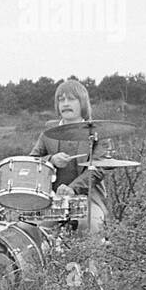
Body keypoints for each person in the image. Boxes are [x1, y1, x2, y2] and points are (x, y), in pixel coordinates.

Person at [28, 78, 108, 238]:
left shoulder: (99, 132)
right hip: (53, 200)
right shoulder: (48, 131)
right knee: (27, 228)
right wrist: (51, 160)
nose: (65, 103)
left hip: (88, 200)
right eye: (61, 99)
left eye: (71, 99)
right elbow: (32, 161)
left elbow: (99, 169)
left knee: (90, 225)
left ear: (82, 103)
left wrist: (73, 188)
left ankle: (91, 263)